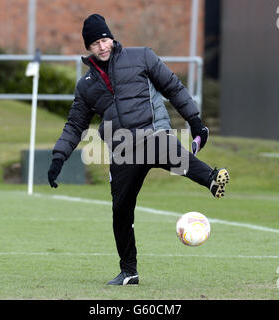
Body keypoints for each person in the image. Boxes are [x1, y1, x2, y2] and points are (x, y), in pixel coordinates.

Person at [47, 14, 229, 286]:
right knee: (120, 212)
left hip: (151, 131)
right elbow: (75, 125)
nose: (102, 45)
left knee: (168, 149)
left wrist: (195, 122)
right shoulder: (86, 86)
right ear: (89, 48)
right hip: (122, 149)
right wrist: (59, 157)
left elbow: (173, 87)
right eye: (95, 43)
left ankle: (212, 179)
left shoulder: (142, 56)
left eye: (105, 39)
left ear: (112, 37)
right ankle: (129, 271)